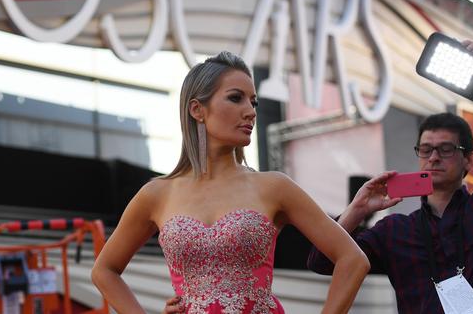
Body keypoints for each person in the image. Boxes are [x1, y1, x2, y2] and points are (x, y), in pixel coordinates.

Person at [92, 51, 370, 313]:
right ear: (197, 109)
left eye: (254, 101)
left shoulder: (274, 187)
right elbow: (104, 271)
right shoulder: (157, 194)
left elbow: (352, 260)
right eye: (236, 98)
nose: (251, 111)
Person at [307, 112, 473, 313]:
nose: (434, 158)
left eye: (446, 149)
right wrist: (357, 209)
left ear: (469, 160)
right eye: (426, 150)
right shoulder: (395, 230)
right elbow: (322, 262)